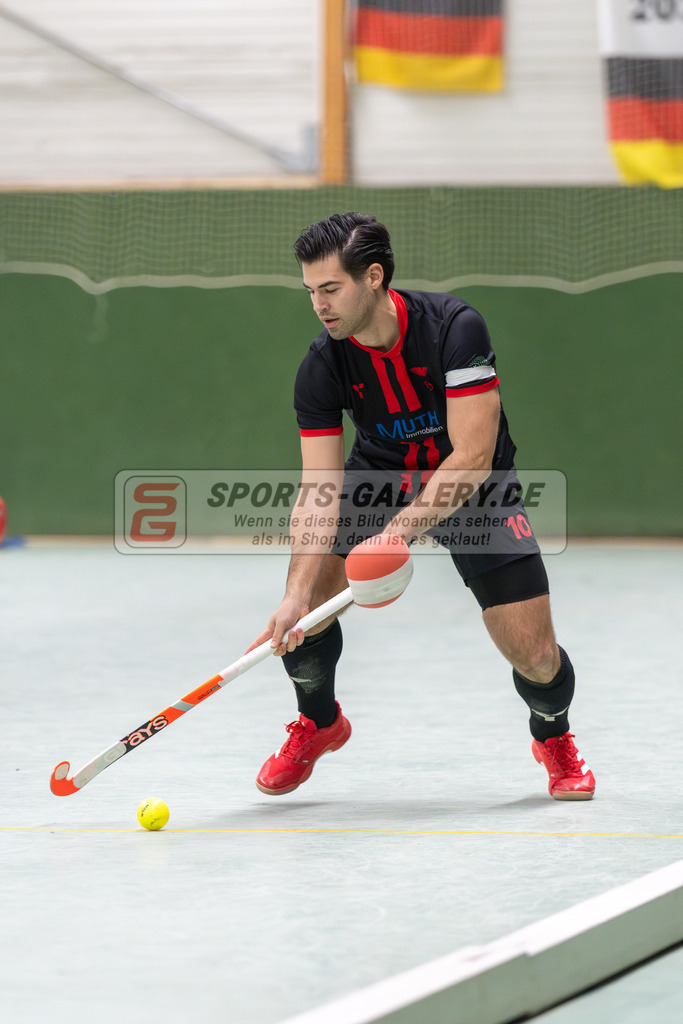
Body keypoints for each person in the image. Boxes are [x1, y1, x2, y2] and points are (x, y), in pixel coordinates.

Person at [248, 212, 595, 802]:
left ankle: (552, 734)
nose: (319, 305)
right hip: (380, 475)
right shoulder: (323, 363)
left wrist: (397, 534)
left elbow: (474, 456)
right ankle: (320, 721)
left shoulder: (454, 329)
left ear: (374, 277)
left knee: (536, 658)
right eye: (311, 292)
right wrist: (296, 596)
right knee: (305, 623)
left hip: (471, 481)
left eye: (330, 289)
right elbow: (318, 489)